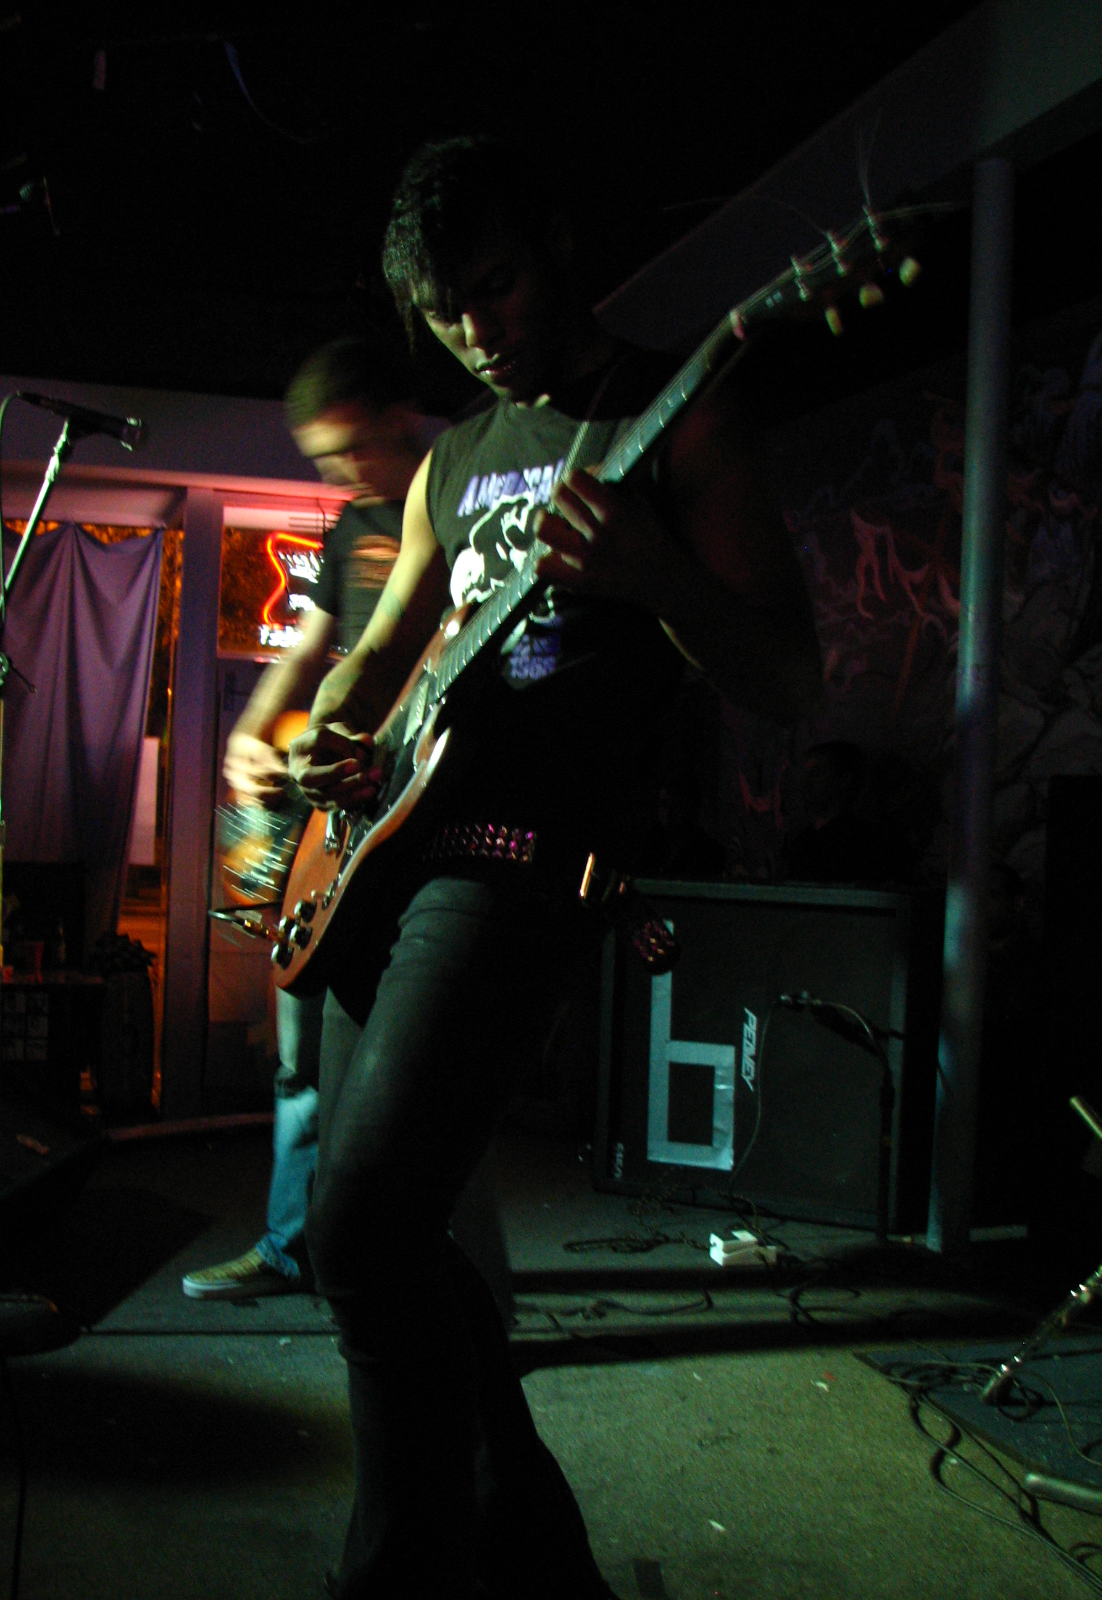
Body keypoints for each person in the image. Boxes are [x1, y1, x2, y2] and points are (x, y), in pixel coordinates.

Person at [290, 136, 823, 1599]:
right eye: (445, 312)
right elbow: (379, 655)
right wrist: (333, 732)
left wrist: (653, 577)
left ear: (558, 246)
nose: (478, 330)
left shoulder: (673, 415)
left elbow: (788, 675)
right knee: (388, 1228)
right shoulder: (454, 458)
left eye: (498, 286)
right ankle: (537, 1558)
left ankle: (395, 1579)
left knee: (359, 1230)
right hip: (393, 857)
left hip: (524, 861)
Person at [183, 335, 520, 1306]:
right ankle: (292, 1246)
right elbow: (314, 646)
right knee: (299, 1050)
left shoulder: (463, 498)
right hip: (344, 815)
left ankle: (469, 1295)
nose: (337, 475)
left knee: (427, 1070)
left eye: (350, 450)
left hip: (430, 812)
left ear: (399, 417)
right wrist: (252, 730)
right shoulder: (353, 526)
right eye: (323, 460)